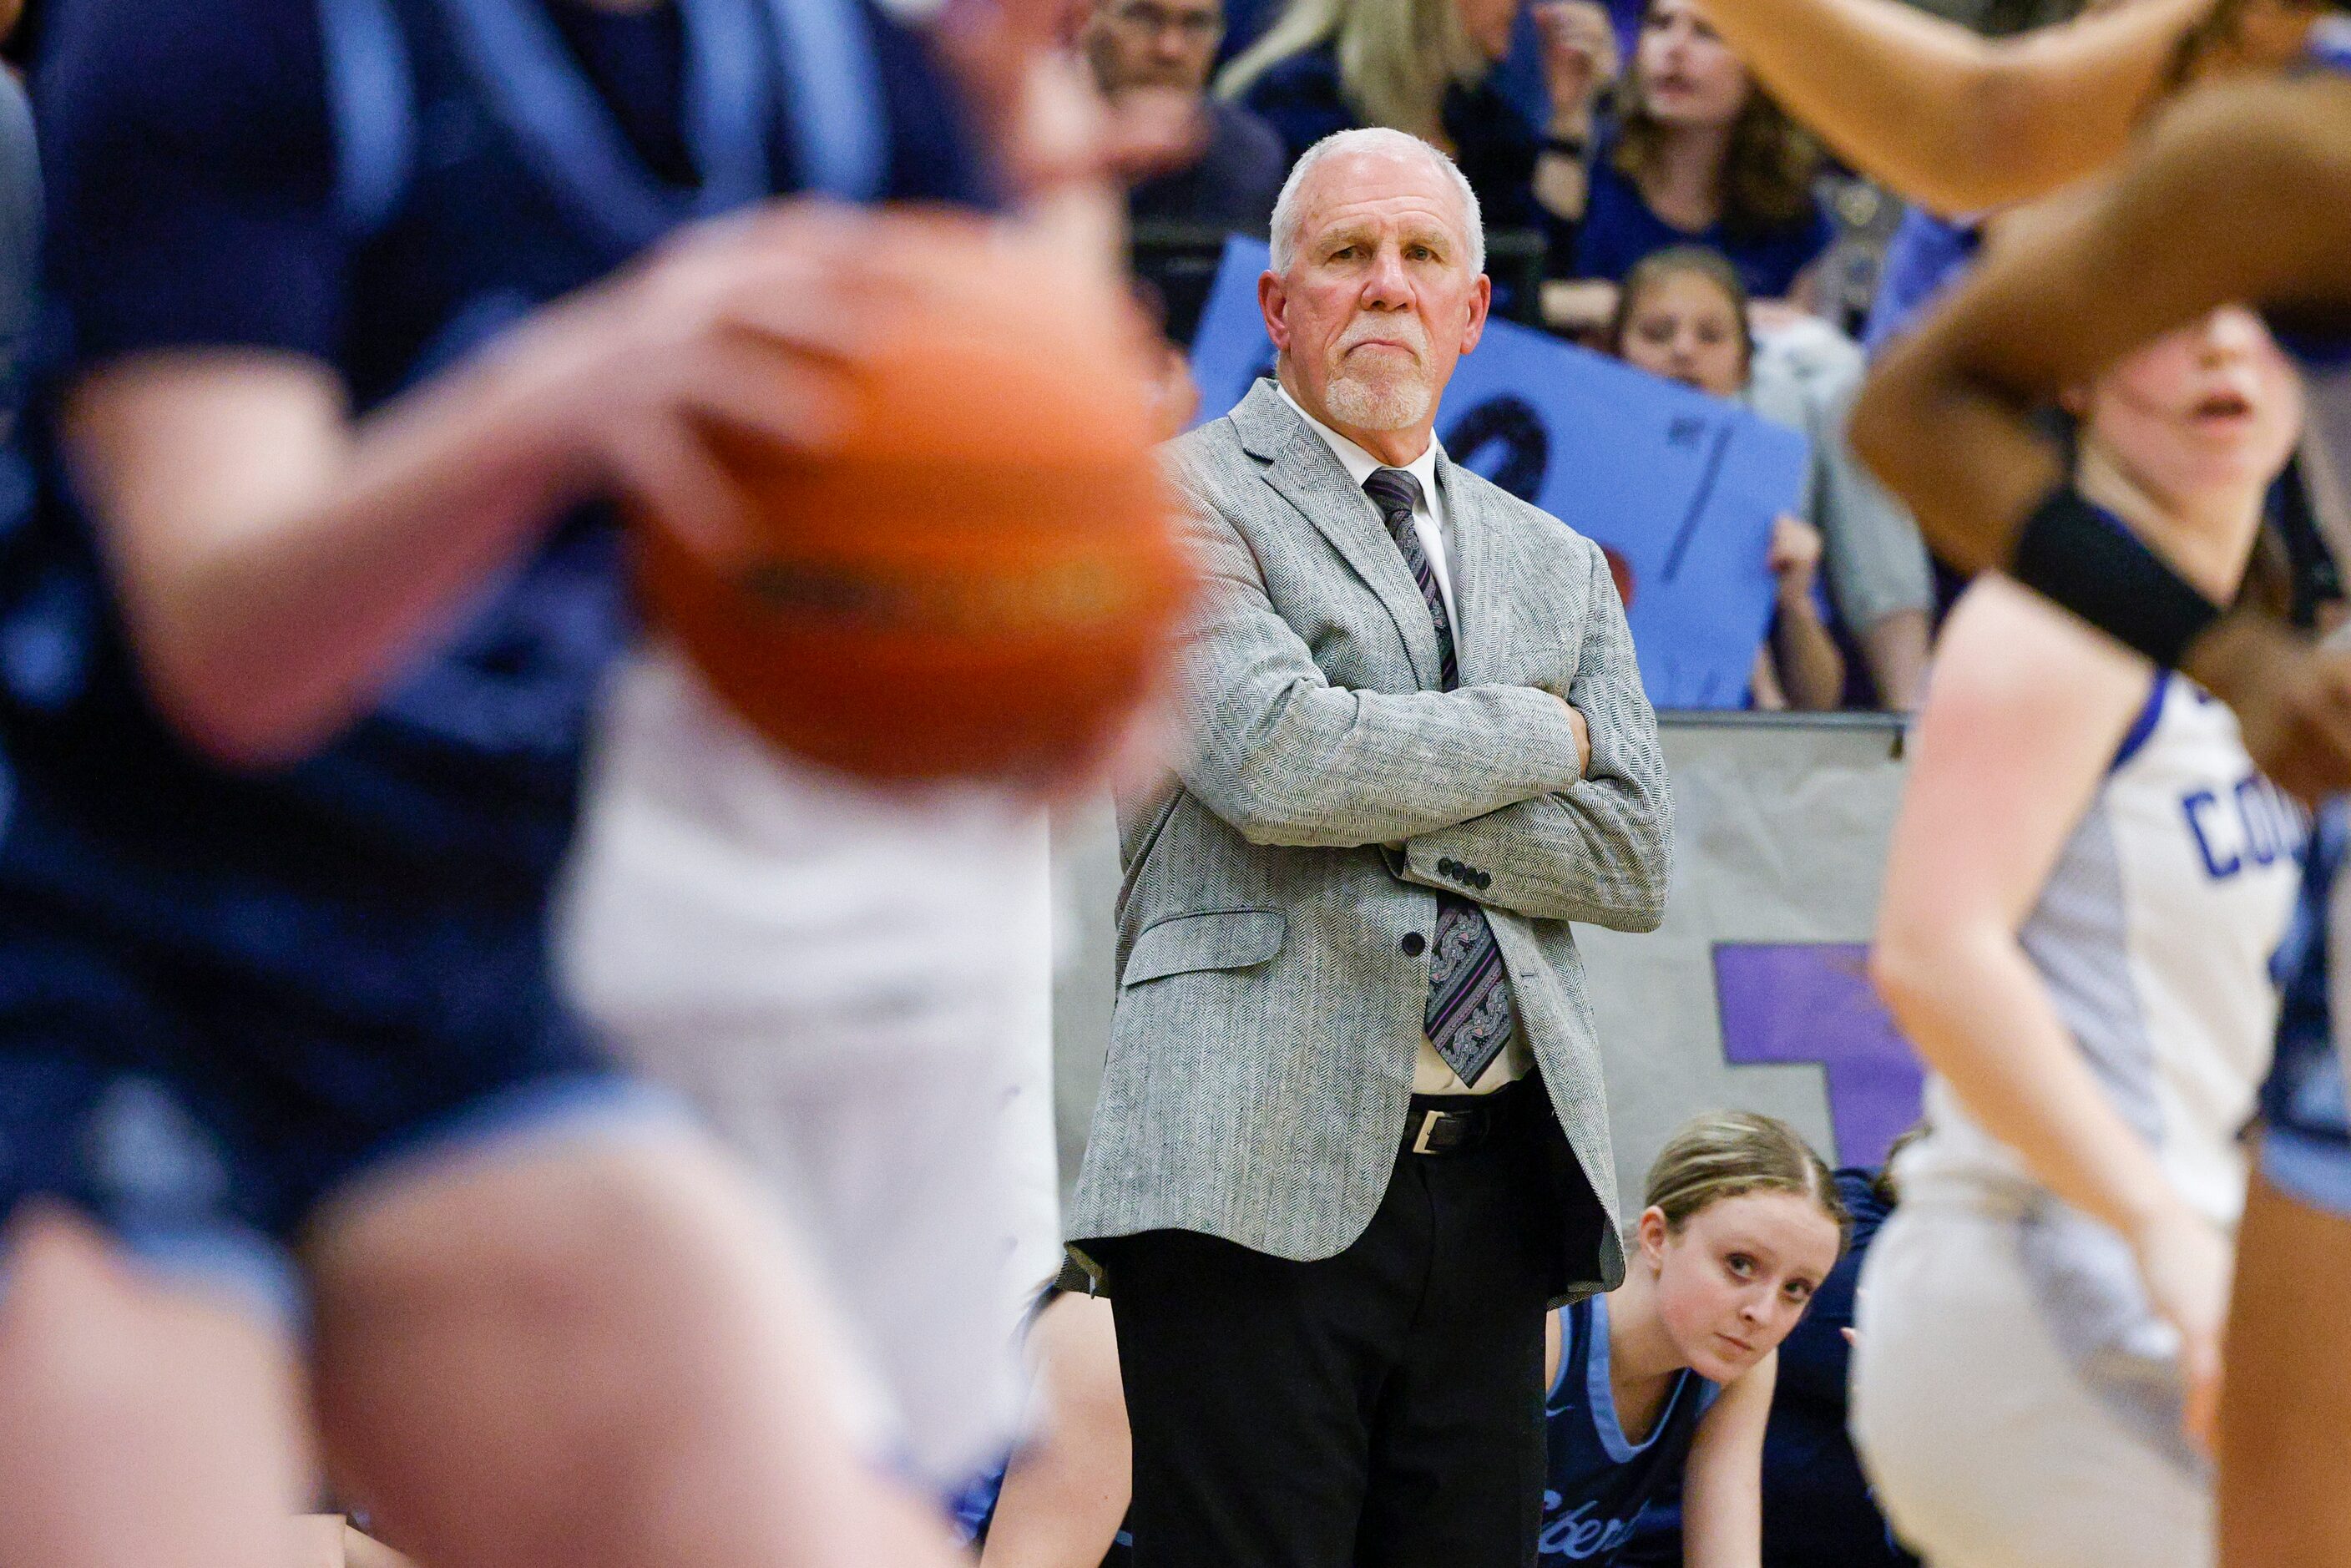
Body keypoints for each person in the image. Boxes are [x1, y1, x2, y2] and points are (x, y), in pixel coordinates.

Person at [0, 1, 1151, 1565]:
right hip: (108, 960)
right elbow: (220, 649)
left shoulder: (837, 75)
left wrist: (1065, 646)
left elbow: (1002, 532)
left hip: (464, 989)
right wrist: (559, 398)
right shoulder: (224, 33)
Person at [1061, 125, 1673, 1567]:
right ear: (1279, 306)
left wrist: (1394, 787)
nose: (1385, 287)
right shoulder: (1170, 498)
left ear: (1472, 311)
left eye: (1421, 260)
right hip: (1236, 1169)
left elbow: (1635, 856)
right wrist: (1544, 731)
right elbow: (1276, 759)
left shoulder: (1560, 560)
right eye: (1346, 255)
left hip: (1496, 1177)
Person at [1862, 306, 2306, 1566]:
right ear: (2079, 368)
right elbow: (1934, 951)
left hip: (2193, 1291)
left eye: (2259, 316)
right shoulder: (2056, 622)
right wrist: (2158, 1221)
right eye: (2175, 313)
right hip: (2053, 1278)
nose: (2223, 347)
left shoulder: (2246, 656)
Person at [974, 1112, 1848, 1568]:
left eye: (1796, 1290)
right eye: (1740, 1266)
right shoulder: (1112, 1330)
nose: (1761, 1312)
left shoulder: (1392, 1338)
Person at [1608, 245, 1939, 708]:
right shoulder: (1582, 484)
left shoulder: (1765, 501)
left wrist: (1795, 604)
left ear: (1745, 366)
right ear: (1615, 352)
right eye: (1657, 334)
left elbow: (1816, 703)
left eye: (1710, 336)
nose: (1683, 350)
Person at [1214, 0, 1619, 276]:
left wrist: (1568, 116)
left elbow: (1542, 269)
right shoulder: (1298, 100)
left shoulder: (1479, 115)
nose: (1519, 5)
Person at [1549, 0, 1832, 333]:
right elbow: (1511, 295)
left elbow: (1804, 353)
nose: (1675, 48)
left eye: (1707, 32)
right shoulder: (1586, 158)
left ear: (1764, 67)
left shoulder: (1793, 217)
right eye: (1661, 24)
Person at [1080, 0, 1287, 235]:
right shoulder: (1038, 156)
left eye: (1196, 23)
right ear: (1083, 20)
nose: (1169, 50)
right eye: (1142, 17)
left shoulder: (1248, 154)